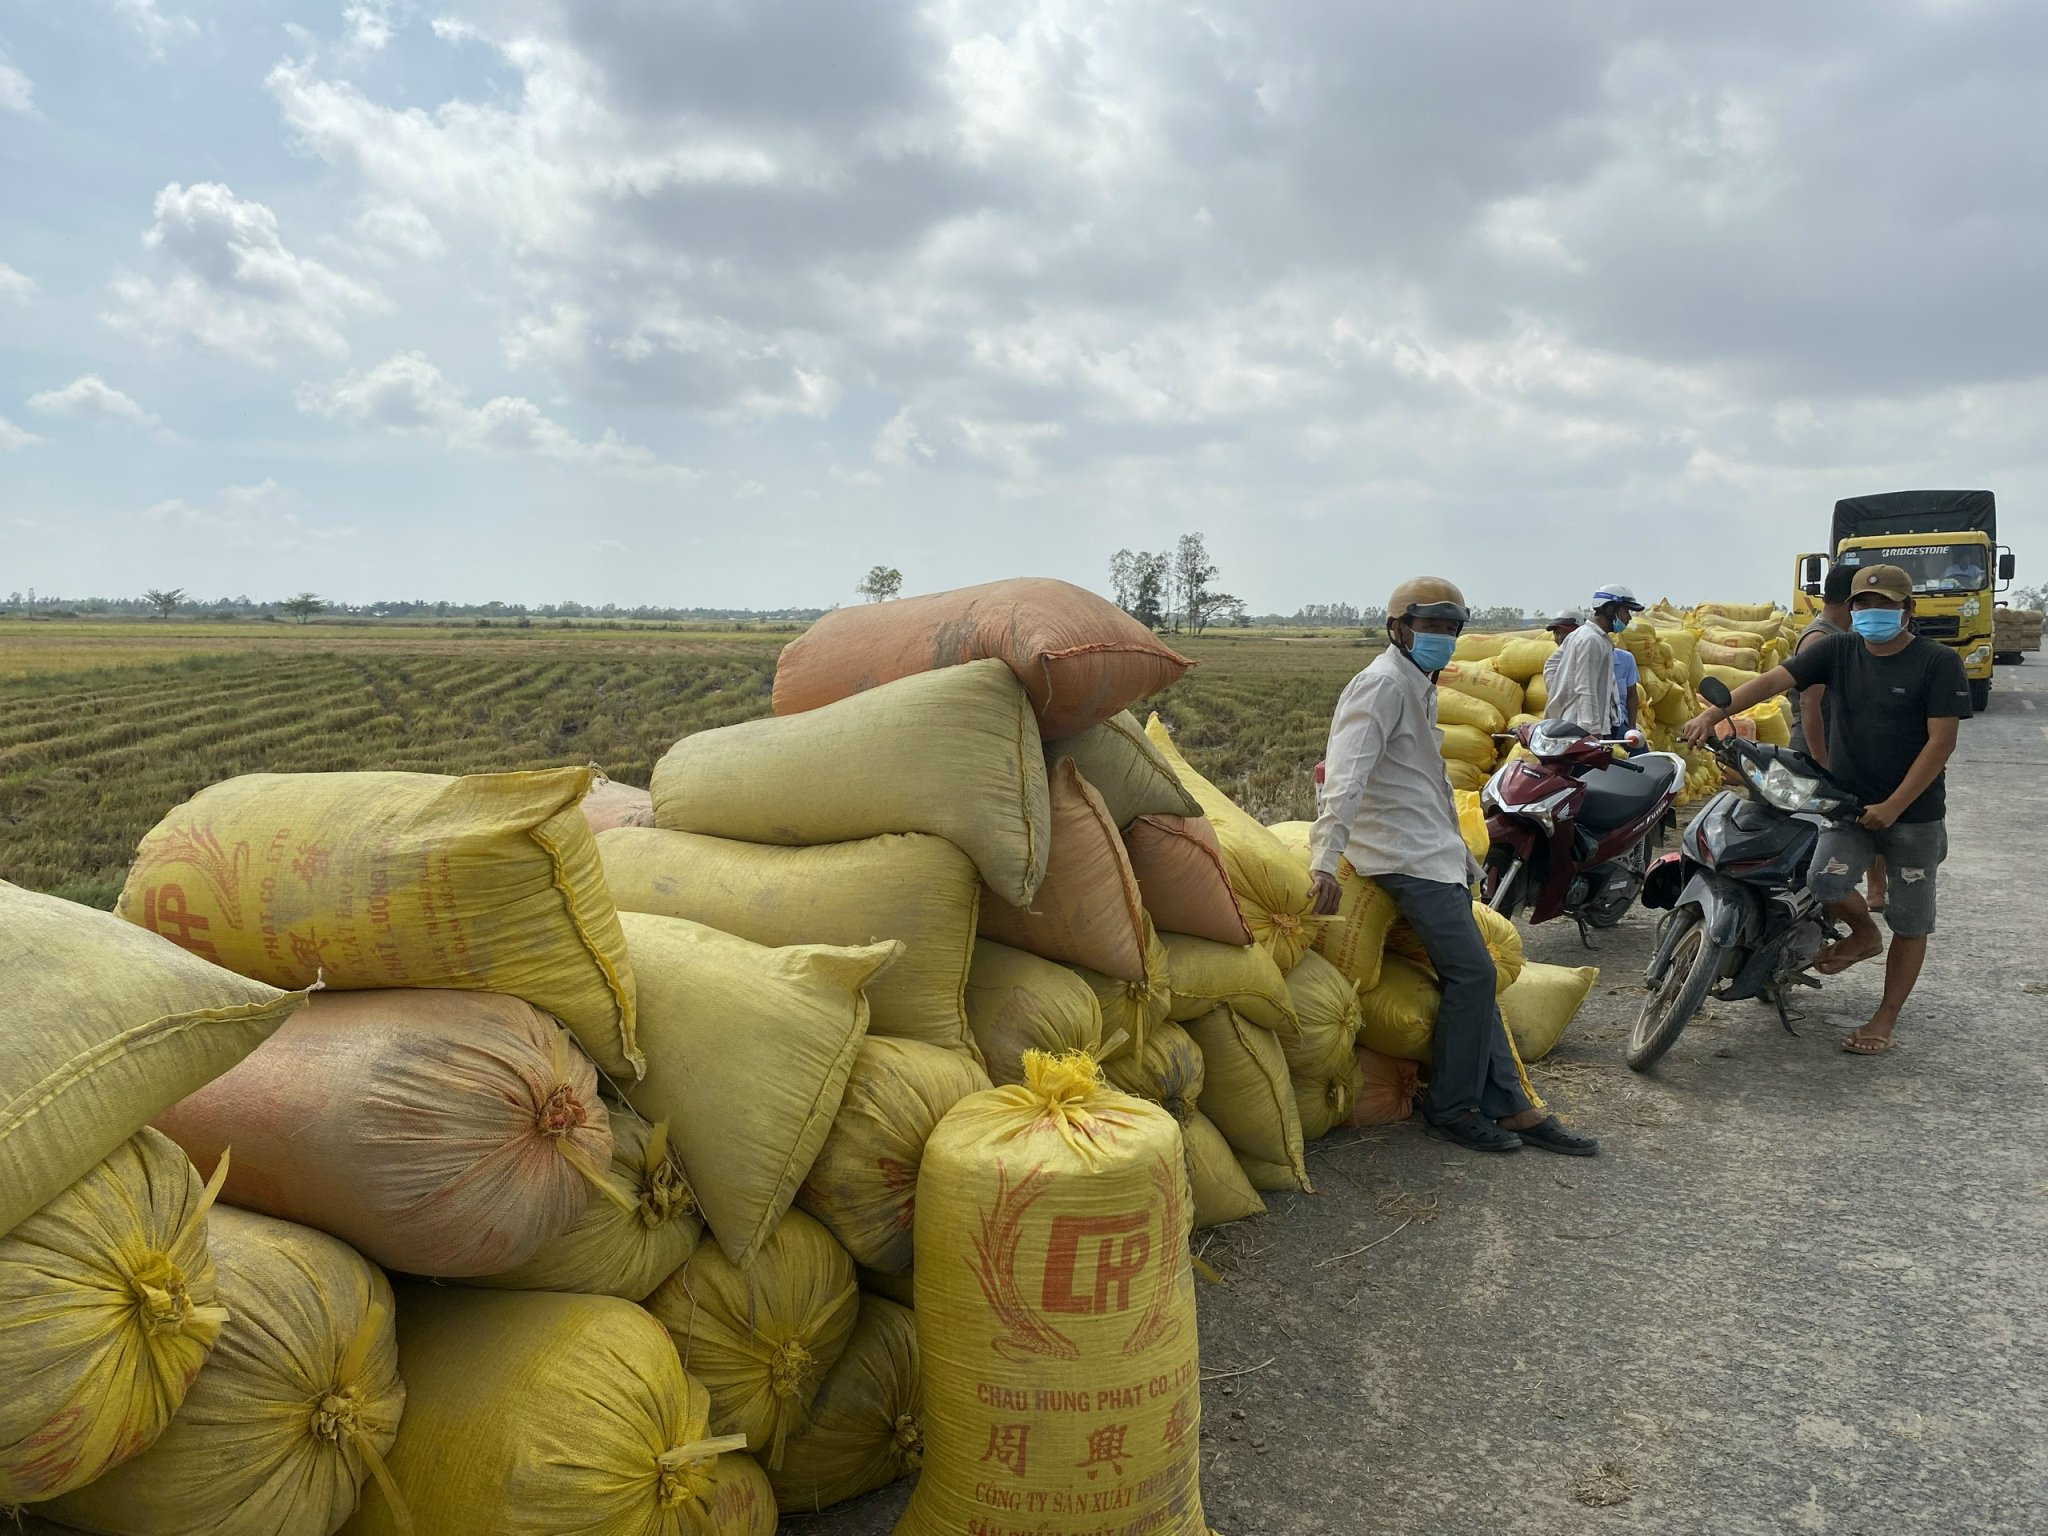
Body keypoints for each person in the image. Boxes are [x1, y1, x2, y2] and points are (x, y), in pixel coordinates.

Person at [1310, 577, 1598, 1155]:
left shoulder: (1418, 685)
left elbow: (1428, 781)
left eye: (1449, 628)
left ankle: (1513, 1105)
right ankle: (1453, 1105)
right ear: (1399, 629)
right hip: (1401, 857)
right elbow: (1344, 777)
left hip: (1427, 852)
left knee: (1475, 976)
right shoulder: (1380, 686)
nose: (1440, 637)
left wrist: (1462, 854)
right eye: (1429, 626)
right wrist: (1322, 860)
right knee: (1473, 974)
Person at [1683, 565, 1968, 1055]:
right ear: (1850, 608)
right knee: (1823, 882)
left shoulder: (1936, 663)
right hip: (1848, 805)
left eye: (1884, 605)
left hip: (1914, 816)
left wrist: (1895, 805)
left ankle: (1884, 1018)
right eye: (1863, 604)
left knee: (1911, 919)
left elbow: (1942, 742)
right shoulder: (1837, 649)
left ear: (1907, 610)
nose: (1872, 613)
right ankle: (1862, 934)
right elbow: (1773, 680)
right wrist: (1716, 712)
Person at [1791, 567, 1888, 912]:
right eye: (1866, 600)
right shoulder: (1821, 638)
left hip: (1837, 746)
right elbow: (1809, 704)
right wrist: (1822, 762)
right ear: (1852, 599)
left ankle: (1876, 891)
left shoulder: (1841, 635)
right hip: (1818, 748)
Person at [1544, 584, 1644, 737]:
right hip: (1583, 731)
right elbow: (1586, 688)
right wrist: (1593, 731)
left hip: (1580, 726)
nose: (1629, 618)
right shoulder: (1592, 640)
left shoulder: (1587, 635)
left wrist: (1562, 693)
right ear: (1610, 610)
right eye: (1625, 611)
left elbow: (1551, 664)